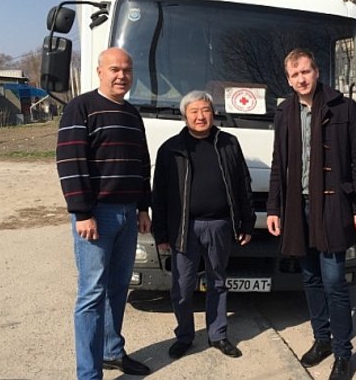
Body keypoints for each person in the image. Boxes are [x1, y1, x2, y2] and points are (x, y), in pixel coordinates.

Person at [266, 48, 356, 380]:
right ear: (288, 79)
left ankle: (343, 353)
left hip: (333, 208)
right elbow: (278, 164)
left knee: (334, 281)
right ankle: (321, 339)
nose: (301, 79)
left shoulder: (344, 107)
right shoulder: (284, 112)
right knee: (310, 278)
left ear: (317, 71)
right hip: (297, 209)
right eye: (295, 75)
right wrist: (273, 207)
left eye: (306, 72)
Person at [56, 47, 152, 379]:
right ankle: (88, 374)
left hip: (128, 214)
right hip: (97, 216)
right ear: (99, 71)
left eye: (126, 69)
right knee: (92, 295)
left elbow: (142, 164)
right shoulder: (80, 108)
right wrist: (82, 212)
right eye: (114, 69)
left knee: (118, 288)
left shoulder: (131, 114)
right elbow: (71, 163)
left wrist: (142, 206)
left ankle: (113, 352)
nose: (121, 75)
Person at [152, 90, 256, 360]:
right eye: (194, 111)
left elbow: (244, 184)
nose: (200, 116)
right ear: (185, 115)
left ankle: (218, 334)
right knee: (182, 286)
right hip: (184, 228)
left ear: (213, 112)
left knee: (218, 281)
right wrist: (160, 232)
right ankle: (185, 336)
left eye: (205, 110)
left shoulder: (229, 143)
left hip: (219, 225)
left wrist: (247, 222)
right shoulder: (170, 149)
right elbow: (159, 195)